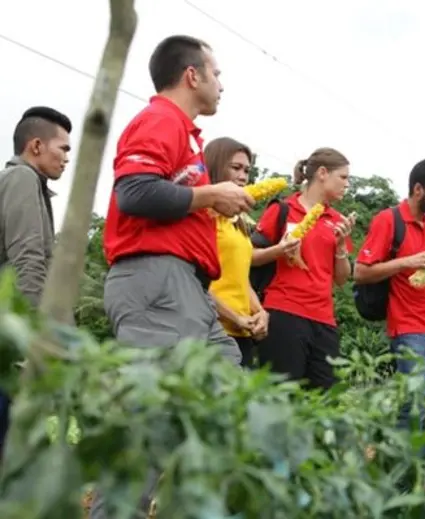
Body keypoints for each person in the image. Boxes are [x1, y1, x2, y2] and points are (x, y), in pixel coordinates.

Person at [91, 35, 254, 519]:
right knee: (150, 422)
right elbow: (135, 192)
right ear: (192, 76)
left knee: (228, 398)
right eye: (217, 73)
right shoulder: (160, 119)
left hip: (187, 290)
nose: (221, 83)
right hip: (155, 281)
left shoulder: (185, 135)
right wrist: (211, 196)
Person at [354, 159, 425, 442]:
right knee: (414, 403)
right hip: (408, 327)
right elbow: (361, 272)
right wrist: (407, 260)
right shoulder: (388, 220)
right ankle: (406, 476)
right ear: (418, 189)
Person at [0, 106, 72, 461]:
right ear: (37, 146)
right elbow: (27, 259)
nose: (67, 158)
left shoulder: (32, 184)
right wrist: (31, 340)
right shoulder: (22, 180)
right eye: (64, 148)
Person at [253, 147, 354, 391]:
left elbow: (342, 278)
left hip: (323, 318)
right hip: (283, 313)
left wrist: (340, 246)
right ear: (322, 173)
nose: (347, 184)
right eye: (343, 177)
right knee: (281, 398)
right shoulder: (281, 210)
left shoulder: (337, 221)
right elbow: (250, 256)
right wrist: (278, 251)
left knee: (324, 401)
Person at [204, 137, 270, 368]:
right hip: (214, 329)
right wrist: (234, 317)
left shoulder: (238, 222)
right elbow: (196, 283)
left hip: (243, 331)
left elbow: (241, 279)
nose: (243, 177)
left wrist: (260, 312)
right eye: (236, 168)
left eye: (247, 170)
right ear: (216, 166)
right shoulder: (203, 218)